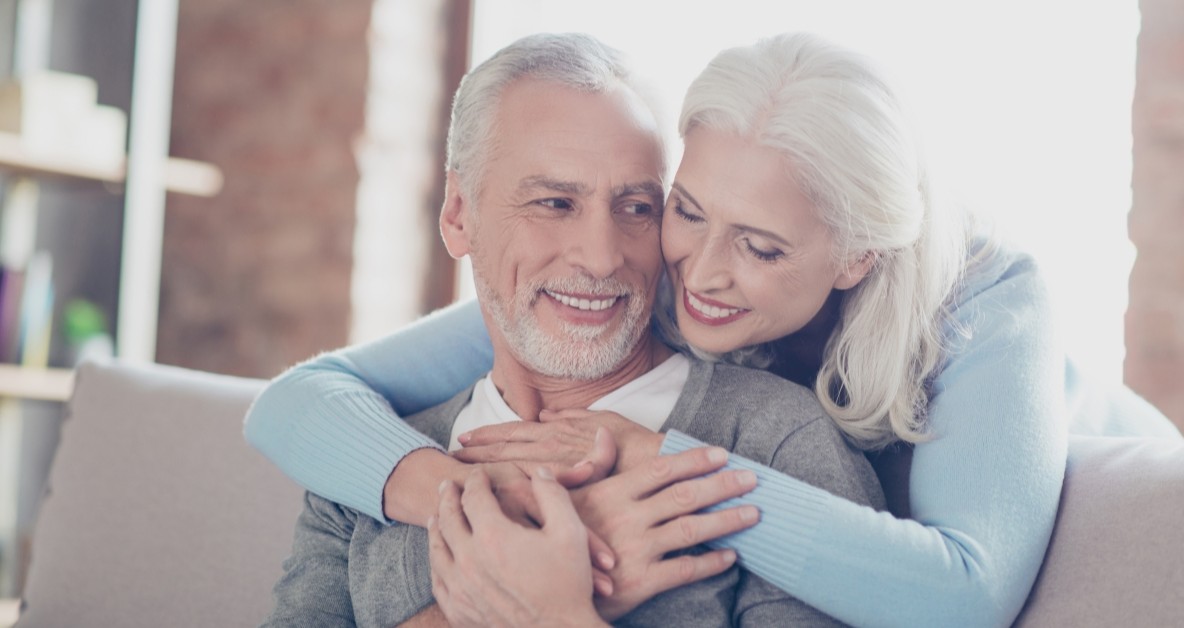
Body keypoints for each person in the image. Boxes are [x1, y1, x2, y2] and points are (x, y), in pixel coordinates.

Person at [247, 32, 1184, 628]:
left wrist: (658, 474)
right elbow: (298, 401)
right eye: (686, 211)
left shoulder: (983, 304)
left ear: (852, 257)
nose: (696, 274)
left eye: (763, 249)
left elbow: (963, 597)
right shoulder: (648, 270)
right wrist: (497, 521)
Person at [259, 32, 884, 627]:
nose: (601, 256)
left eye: (637, 208)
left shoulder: (774, 445)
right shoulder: (371, 465)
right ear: (458, 215)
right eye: (555, 203)